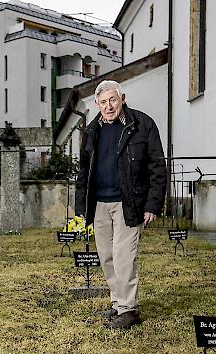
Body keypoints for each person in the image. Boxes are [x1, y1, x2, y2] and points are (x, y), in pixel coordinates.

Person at [75, 80, 167, 329]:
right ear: (97, 104)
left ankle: (129, 309)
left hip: (130, 202)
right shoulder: (91, 130)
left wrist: (152, 205)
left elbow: (158, 166)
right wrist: (81, 208)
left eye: (113, 100)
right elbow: (84, 171)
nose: (109, 106)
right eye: (103, 102)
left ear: (122, 98)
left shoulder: (142, 124)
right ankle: (118, 303)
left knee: (123, 257)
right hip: (99, 204)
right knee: (106, 257)